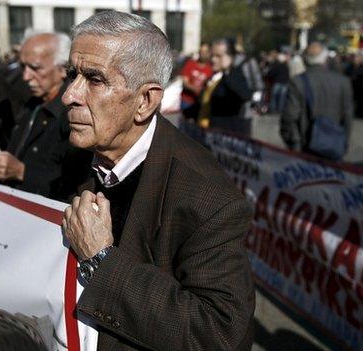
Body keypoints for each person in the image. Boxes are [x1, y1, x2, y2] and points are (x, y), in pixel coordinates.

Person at [61, 11, 254, 350]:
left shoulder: (206, 197)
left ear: (145, 101)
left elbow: (220, 334)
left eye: (94, 80)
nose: (69, 95)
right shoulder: (74, 152)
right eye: (71, 75)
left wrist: (101, 261)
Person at [0, 32, 92, 200]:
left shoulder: (73, 116)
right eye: (23, 67)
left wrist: (22, 172)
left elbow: (73, 185)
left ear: (63, 69)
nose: (26, 76)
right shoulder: (32, 103)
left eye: (35, 68)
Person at [280, 42, 354, 157]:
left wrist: (294, 145)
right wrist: (344, 143)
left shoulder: (297, 81)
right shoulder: (342, 82)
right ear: (325, 59)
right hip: (334, 144)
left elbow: (289, 117)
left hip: (305, 145)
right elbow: (347, 117)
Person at [198, 38, 252, 135]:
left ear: (230, 57)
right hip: (209, 133)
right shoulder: (214, 77)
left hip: (227, 135)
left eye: (219, 56)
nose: (213, 59)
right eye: (213, 55)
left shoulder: (234, 75)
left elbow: (246, 95)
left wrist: (227, 70)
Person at [179, 43, 212, 121]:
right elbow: (185, 82)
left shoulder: (211, 68)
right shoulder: (190, 63)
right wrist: (197, 90)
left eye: (206, 52)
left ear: (209, 53)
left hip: (202, 103)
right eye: (202, 51)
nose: (203, 54)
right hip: (187, 101)